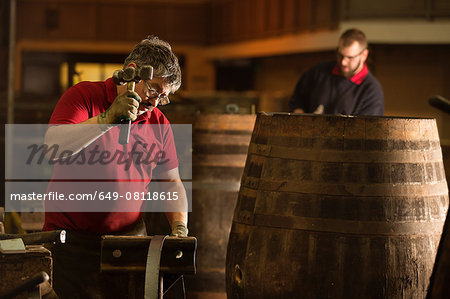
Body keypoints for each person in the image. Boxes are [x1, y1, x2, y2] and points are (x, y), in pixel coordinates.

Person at [42, 36, 189, 298]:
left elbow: (171, 182)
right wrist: (107, 119)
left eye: (164, 97)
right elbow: (53, 148)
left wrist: (179, 225)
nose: (155, 103)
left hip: (129, 244)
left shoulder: (158, 122)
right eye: (154, 90)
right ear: (131, 71)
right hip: (73, 245)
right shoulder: (84, 96)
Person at [289, 28, 384, 116]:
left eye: (350, 58)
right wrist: (299, 115)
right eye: (340, 55)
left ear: (364, 55)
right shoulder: (318, 71)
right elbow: (297, 99)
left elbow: (365, 132)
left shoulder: (372, 91)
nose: (343, 62)